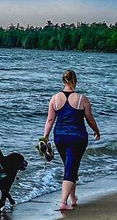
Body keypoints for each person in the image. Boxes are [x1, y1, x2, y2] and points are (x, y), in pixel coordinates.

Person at [41, 69, 101, 211]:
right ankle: (63, 202)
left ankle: (73, 198)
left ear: (63, 81)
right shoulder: (82, 99)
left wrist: (45, 138)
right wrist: (96, 131)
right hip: (77, 137)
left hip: (60, 137)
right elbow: (90, 119)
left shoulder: (54, 98)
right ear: (75, 81)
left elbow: (50, 120)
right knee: (71, 166)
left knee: (70, 165)